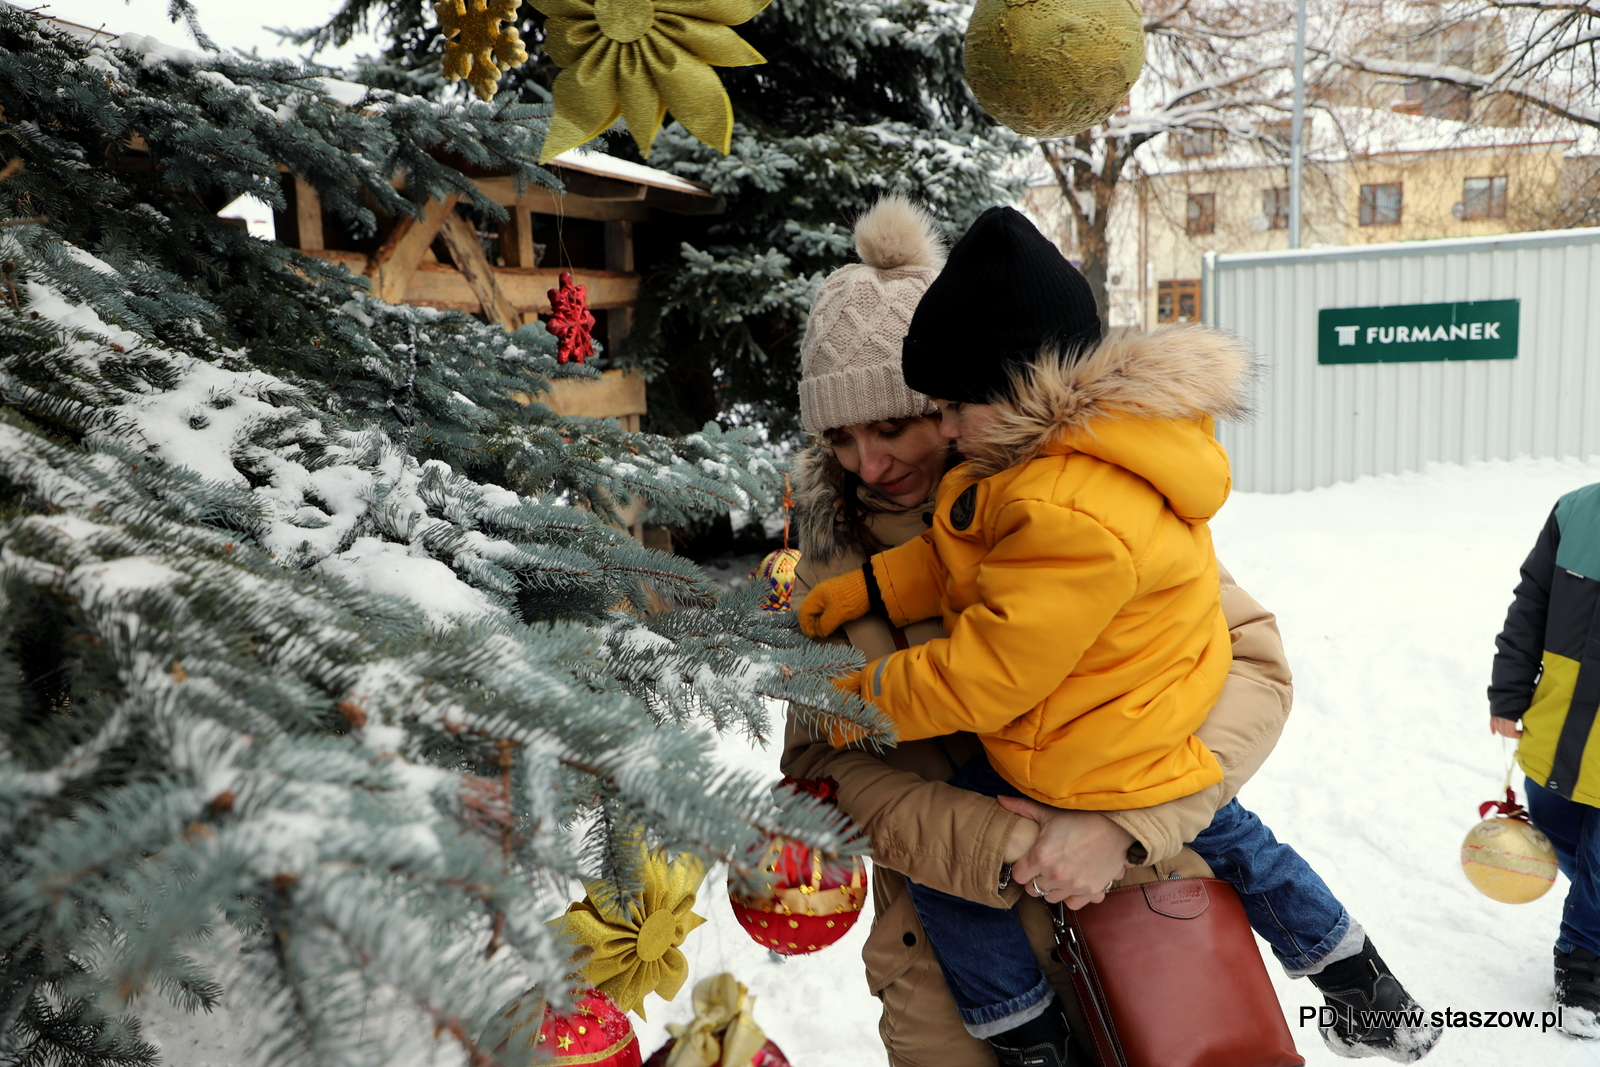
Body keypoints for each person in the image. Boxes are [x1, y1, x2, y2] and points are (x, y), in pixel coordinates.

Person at [783, 197, 1438, 1066]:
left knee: (1237, 842)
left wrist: (1129, 822)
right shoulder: (828, 560)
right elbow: (823, 761)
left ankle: (1354, 975)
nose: (870, 463)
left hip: (1153, 917)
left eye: (897, 423)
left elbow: (1251, 671)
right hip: (952, 984)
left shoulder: (1079, 499)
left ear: (972, 393)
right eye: (840, 437)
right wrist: (999, 842)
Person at [1489, 482, 1600, 1038]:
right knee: (1558, 839)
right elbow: (1530, 606)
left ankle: (1582, 966)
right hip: (1557, 731)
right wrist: (1508, 693)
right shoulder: (1577, 512)